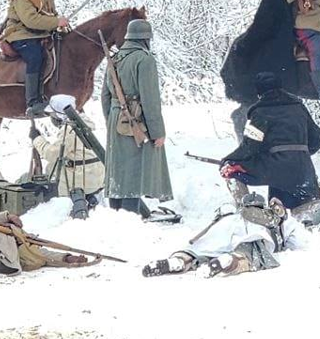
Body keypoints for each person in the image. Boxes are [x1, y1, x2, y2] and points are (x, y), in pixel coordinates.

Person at [101, 18, 175, 219]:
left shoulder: (114, 59)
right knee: (133, 174)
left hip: (116, 118)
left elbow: (105, 96)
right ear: (146, 39)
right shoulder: (145, 59)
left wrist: (111, 120)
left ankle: (115, 218)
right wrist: (157, 132)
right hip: (137, 119)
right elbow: (151, 100)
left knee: (117, 174)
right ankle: (128, 222)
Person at [219, 72, 320, 210]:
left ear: (259, 92)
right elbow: (319, 139)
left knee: (230, 171)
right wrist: (299, 153)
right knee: (309, 217)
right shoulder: (298, 107)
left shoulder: (260, 112)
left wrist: (228, 160)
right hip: (304, 172)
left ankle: (246, 210)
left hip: (276, 171)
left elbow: (249, 147)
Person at [141, 192, 300, 278]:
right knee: (249, 253)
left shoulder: (232, 213)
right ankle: (231, 261)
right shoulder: (274, 218)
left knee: (201, 250)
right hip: (252, 236)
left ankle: (181, 260)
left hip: (221, 230)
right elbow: (300, 242)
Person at [1, 0, 71, 118]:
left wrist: (59, 25)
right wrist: (55, 22)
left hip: (39, 34)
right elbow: (30, 20)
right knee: (35, 56)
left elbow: (49, 15)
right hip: (21, 34)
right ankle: (33, 102)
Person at [30, 94, 104, 219]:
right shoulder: (84, 122)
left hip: (82, 178)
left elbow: (52, 154)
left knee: (47, 173)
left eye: (53, 115)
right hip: (96, 177)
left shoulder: (69, 129)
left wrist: (36, 139)